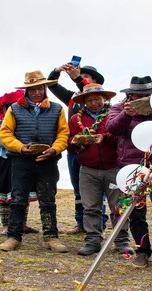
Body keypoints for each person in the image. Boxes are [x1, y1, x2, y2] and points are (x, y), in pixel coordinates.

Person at [106, 76, 152, 268]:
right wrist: (126, 115)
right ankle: (142, 250)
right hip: (131, 167)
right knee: (136, 212)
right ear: (130, 94)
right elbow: (111, 129)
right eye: (139, 94)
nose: (143, 98)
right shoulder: (119, 108)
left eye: (147, 95)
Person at [0, 70, 69, 253]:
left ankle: (51, 237)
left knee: (48, 200)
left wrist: (54, 149)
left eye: (40, 88)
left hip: (48, 161)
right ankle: (13, 237)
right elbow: (5, 133)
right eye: (32, 89)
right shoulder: (14, 109)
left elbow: (63, 133)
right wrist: (20, 147)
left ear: (45, 88)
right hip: (21, 161)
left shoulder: (57, 109)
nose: (37, 92)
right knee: (18, 199)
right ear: (26, 90)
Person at [67, 84, 130, 256]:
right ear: (84, 102)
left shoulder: (115, 114)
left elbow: (121, 137)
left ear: (105, 99)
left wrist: (104, 138)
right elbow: (69, 142)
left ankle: (121, 241)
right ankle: (93, 240)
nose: (94, 102)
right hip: (88, 169)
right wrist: (75, 141)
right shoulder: (75, 120)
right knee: (90, 207)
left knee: (118, 206)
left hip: (114, 167)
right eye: (89, 100)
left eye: (97, 99)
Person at [48, 63, 109, 234]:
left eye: (86, 77)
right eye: (79, 76)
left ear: (95, 81)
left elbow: (89, 90)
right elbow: (51, 84)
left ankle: (99, 225)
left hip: (97, 152)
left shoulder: (99, 98)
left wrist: (77, 78)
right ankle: (80, 222)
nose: (82, 78)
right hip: (75, 151)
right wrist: (57, 70)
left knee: (97, 191)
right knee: (78, 189)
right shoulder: (72, 97)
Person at [0, 90, 40, 235]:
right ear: (5, 110)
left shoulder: (27, 123)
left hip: (23, 162)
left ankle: (22, 224)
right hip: (4, 163)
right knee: (6, 196)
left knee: (22, 194)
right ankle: (6, 226)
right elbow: (0, 141)